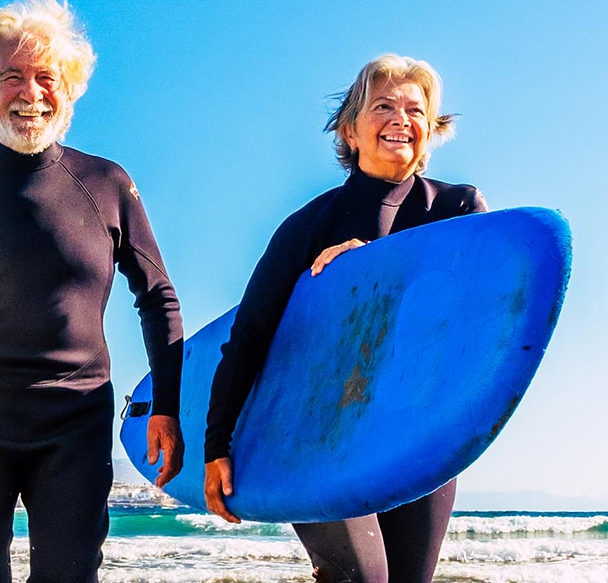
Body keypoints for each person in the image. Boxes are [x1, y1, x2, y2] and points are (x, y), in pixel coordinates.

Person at [0, 0, 184, 582]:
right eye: (11, 76)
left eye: (46, 77)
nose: (30, 93)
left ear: (69, 89)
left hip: (74, 420)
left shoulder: (106, 184)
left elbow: (157, 296)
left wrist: (166, 406)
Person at [203, 54, 487, 583]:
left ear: (431, 131)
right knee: (362, 577)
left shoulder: (459, 211)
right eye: (383, 106)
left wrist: (376, 273)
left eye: (416, 109)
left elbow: (478, 321)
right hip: (318, 433)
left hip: (417, 430)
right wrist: (216, 445)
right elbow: (250, 338)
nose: (402, 118)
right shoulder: (308, 226)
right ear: (349, 130)